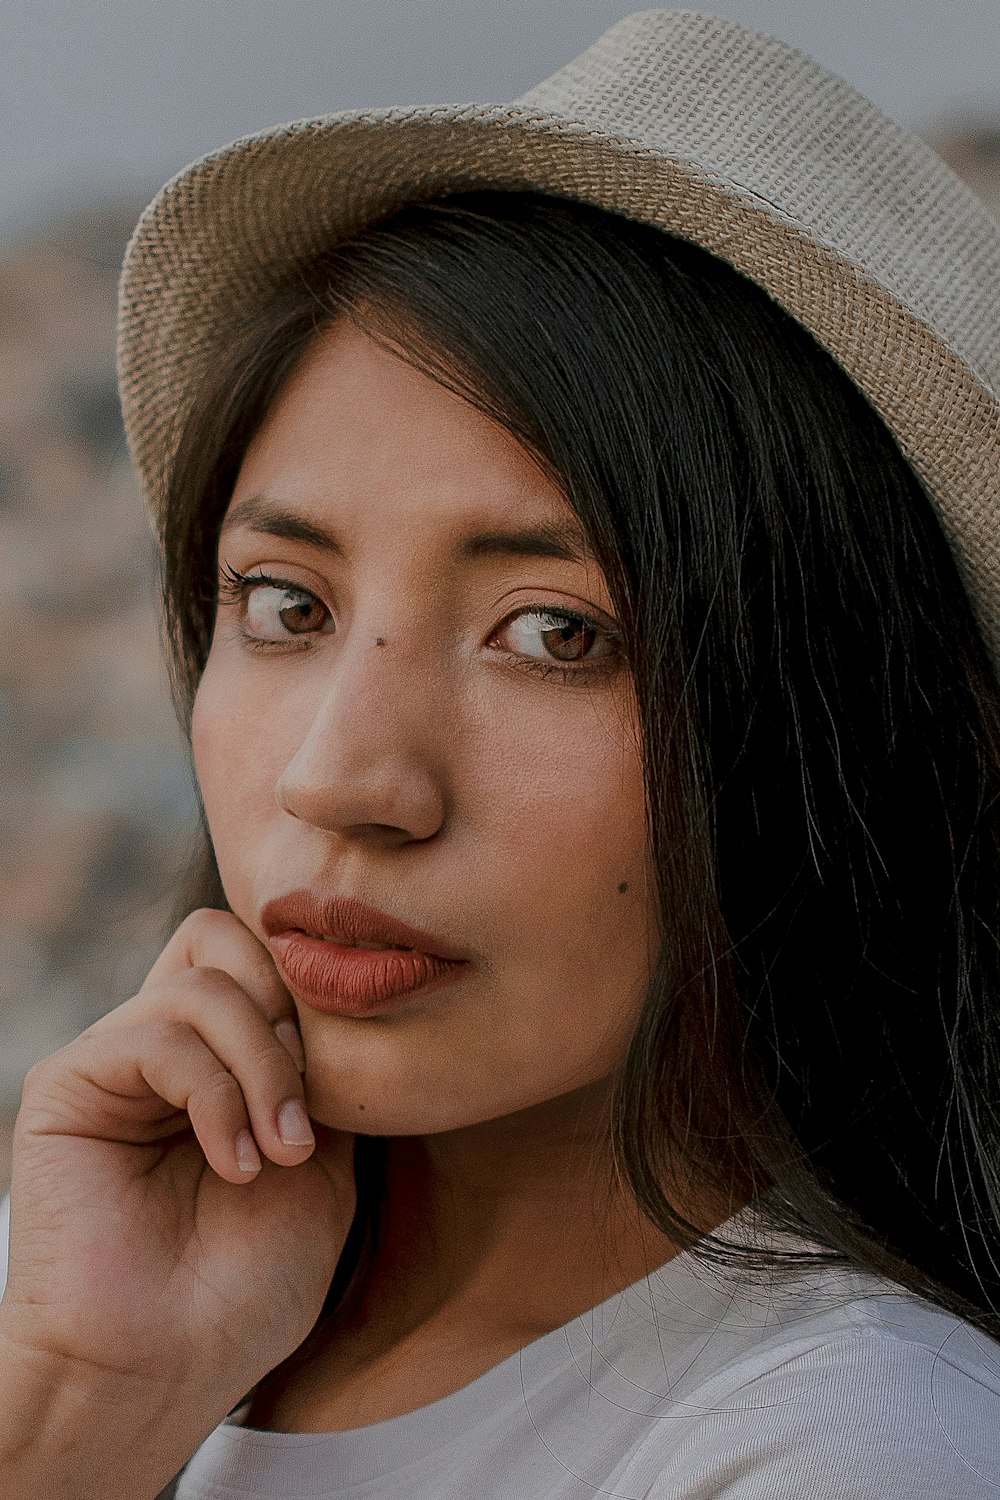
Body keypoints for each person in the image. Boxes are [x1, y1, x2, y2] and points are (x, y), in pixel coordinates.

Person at [2, 9, 1000, 1497]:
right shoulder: (98, 1288)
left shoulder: (835, 1446)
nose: (343, 780)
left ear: (827, 726)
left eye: (558, 636)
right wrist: (85, 1410)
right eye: (286, 606)